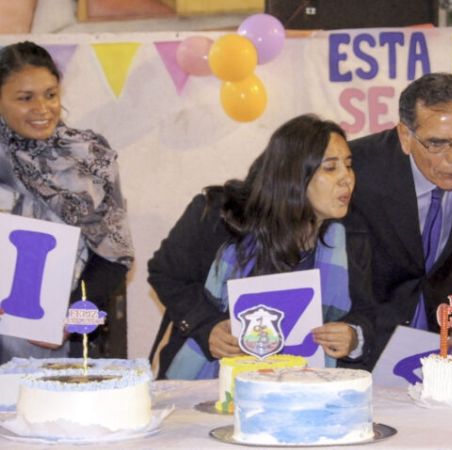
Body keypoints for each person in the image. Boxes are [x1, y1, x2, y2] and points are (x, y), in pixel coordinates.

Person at [148, 114, 374, 379]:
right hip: (210, 383)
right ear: (293, 174)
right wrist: (207, 326)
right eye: (330, 168)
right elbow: (165, 274)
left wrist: (353, 336)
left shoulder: (351, 236)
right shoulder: (219, 215)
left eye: (349, 165)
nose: (347, 178)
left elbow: (366, 313)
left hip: (306, 387)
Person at [345, 72, 452, 367]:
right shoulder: (359, 168)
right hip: (372, 337)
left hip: (445, 339)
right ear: (405, 137)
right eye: (437, 143)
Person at [0, 41, 133, 363]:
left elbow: (114, 257)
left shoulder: (89, 158)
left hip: (62, 345)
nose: (42, 108)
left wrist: (74, 319)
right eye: (25, 98)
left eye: (50, 94)